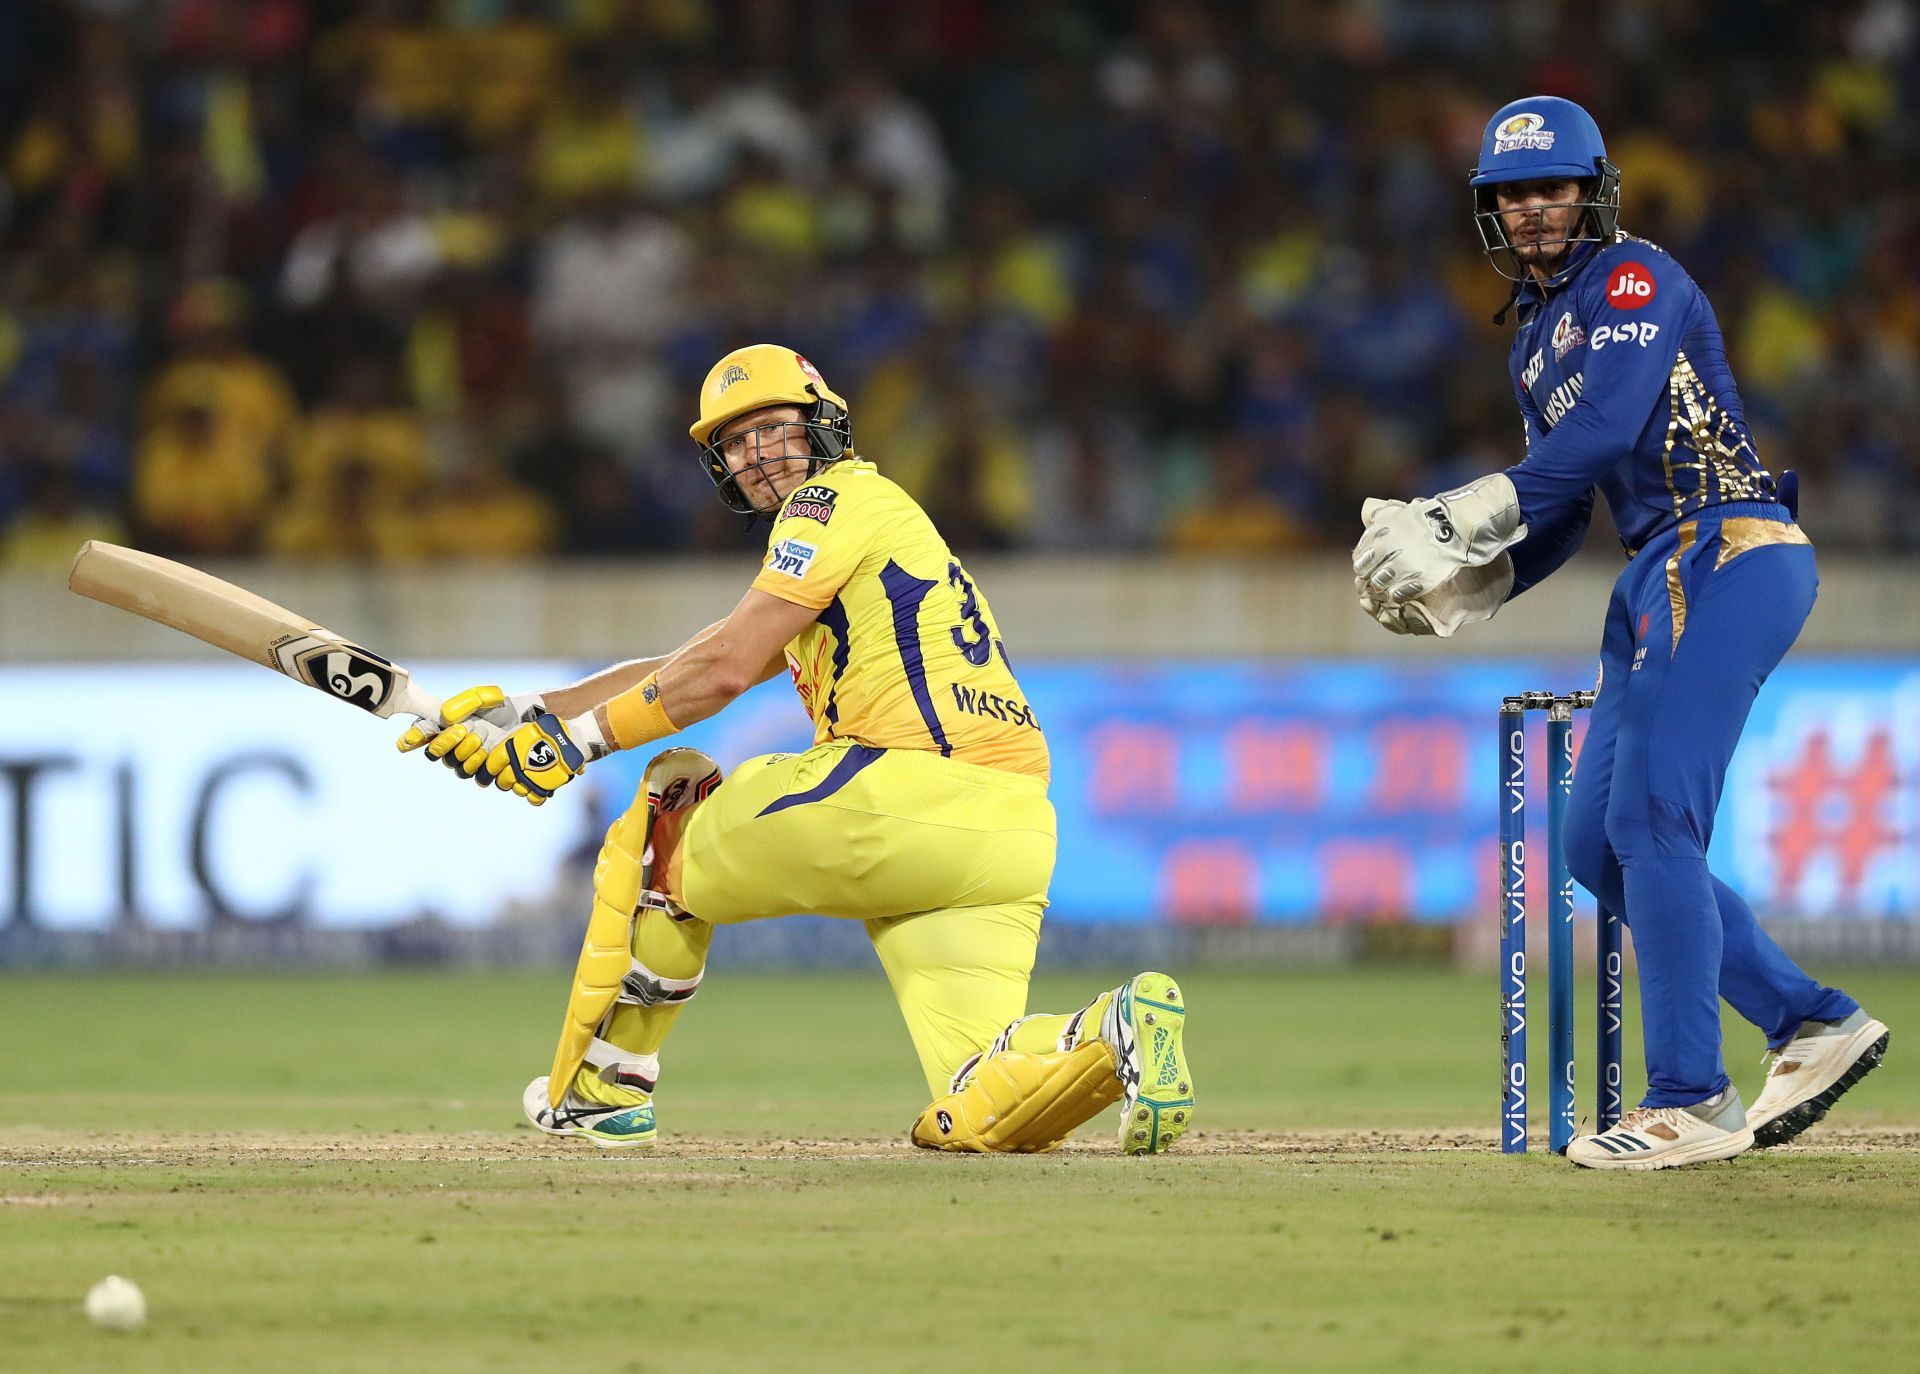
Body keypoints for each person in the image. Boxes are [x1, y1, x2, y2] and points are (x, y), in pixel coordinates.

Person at [400, 344, 1193, 1155]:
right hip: (1009, 834)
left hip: (904, 793)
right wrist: (530, 709)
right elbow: (702, 655)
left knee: (669, 816)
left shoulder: (832, 501)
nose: (755, 455)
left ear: (824, 427)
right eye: (735, 444)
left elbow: (720, 672)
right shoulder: (863, 527)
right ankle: (1113, 1027)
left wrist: (573, 744)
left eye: (773, 429)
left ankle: (603, 1091)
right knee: (980, 1101)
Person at [1351, 97, 1888, 1169]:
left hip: (1727, 551)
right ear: (1491, 211)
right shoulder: (1535, 344)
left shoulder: (1635, 278)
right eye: (1513, 193)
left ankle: (1690, 1099)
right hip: (1656, 573)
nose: (1535, 210)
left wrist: (1457, 513)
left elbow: (1607, 427)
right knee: (1599, 846)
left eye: (1552, 188)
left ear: (1591, 193)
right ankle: (1812, 1021)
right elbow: (1559, 507)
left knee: (1652, 819)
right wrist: (1477, 585)